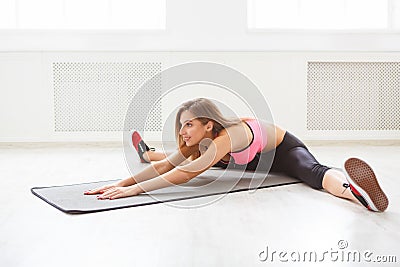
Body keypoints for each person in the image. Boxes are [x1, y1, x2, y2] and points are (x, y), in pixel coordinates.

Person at [84, 98, 389, 212]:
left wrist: (135, 189)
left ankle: (356, 192)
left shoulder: (229, 136)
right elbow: (170, 165)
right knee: (169, 157)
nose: (184, 130)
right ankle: (146, 152)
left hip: (281, 152)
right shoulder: (203, 143)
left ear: (209, 124)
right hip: (244, 162)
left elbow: (186, 173)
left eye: (189, 124)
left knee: (314, 171)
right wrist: (123, 183)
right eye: (182, 125)